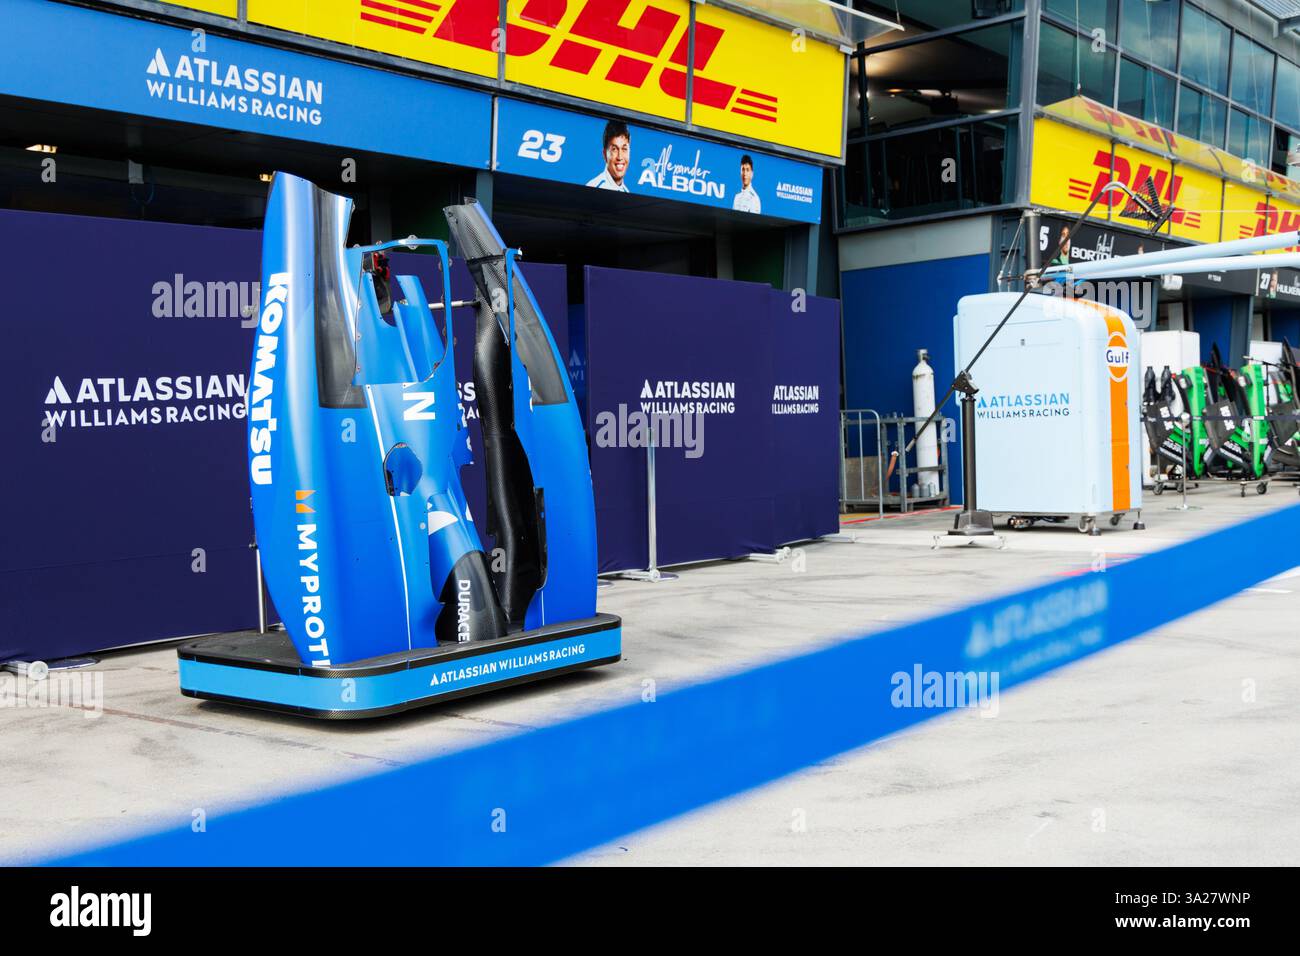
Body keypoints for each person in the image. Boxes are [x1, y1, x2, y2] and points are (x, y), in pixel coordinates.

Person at [587, 120, 630, 192]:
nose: (620, 157)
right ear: (604, 154)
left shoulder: (626, 192)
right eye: (614, 149)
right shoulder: (593, 188)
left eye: (624, 149)